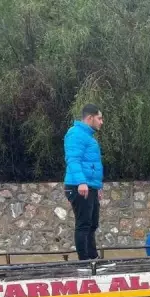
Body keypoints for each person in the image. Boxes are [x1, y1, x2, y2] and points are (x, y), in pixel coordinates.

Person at [63, 104, 105, 261]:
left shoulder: (88, 136)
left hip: (90, 186)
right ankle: (85, 262)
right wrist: (81, 182)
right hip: (78, 186)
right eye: (99, 118)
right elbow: (73, 159)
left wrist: (97, 186)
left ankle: (93, 259)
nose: (101, 122)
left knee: (92, 224)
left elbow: (92, 165)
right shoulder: (76, 134)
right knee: (84, 224)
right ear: (90, 118)